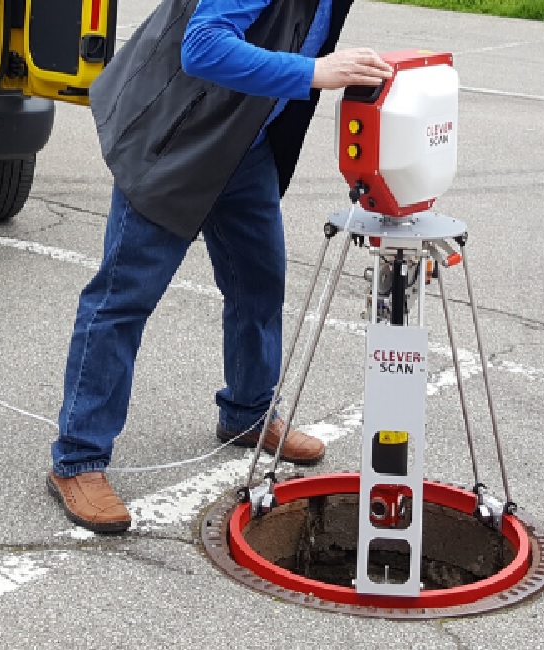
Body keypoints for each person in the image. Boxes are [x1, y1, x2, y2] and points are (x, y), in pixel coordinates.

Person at [47, 0, 392, 534]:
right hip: (177, 140)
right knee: (122, 298)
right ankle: (78, 458)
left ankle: (249, 414)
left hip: (244, 147)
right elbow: (203, 47)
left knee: (259, 286)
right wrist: (315, 71)